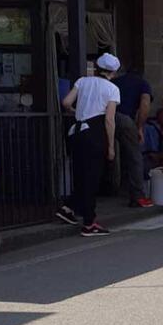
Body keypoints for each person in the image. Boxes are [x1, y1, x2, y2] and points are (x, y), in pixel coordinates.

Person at [56, 53, 120, 236]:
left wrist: (77, 111)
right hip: (95, 132)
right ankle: (89, 222)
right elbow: (109, 120)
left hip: (77, 130)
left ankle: (69, 207)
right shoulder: (112, 89)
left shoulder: (82, 81)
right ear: (113, 72)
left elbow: (66, 102)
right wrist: (111, 147)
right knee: (92, 177)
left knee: (80, 173)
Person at [112, 67, 153, 208]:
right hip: (124, 118)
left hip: (105, 116)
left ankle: (106, 187)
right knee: (135, 156)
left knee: (107, 153)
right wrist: (140, 127)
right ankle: (138, 196)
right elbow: (145, 105)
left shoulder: (114, 81)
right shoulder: (143, 84)